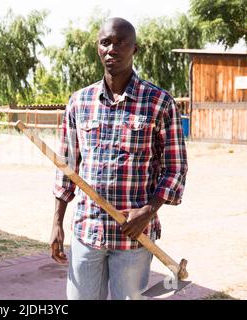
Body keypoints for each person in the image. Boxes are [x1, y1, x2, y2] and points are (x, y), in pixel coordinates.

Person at [50, 17, 188, 300]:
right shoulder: (79, 102)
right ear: (98, 48)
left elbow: (176, 168)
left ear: (134, 49)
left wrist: (147, 212)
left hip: (133, 238)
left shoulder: (159, 102)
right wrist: (56, 224)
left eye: (121, 42)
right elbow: (66, 169)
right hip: (87, 231)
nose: (112, 48)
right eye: (106, 42)